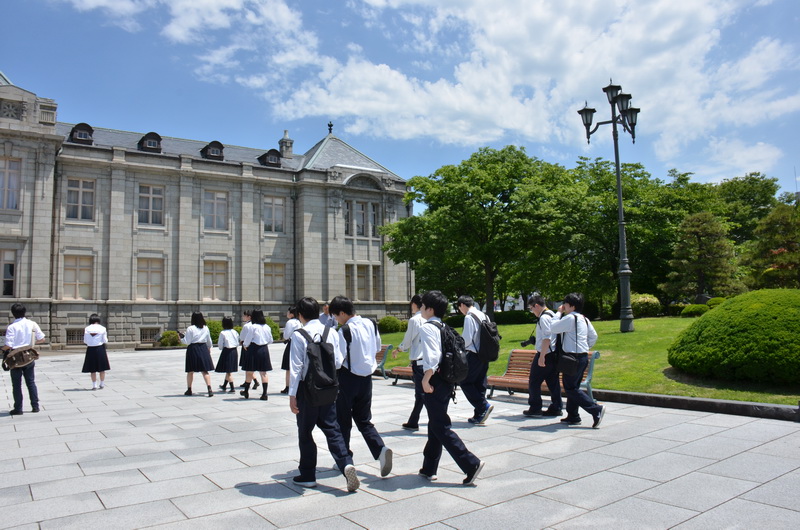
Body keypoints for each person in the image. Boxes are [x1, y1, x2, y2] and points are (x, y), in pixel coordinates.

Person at [288, 296, 359, 492]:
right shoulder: (331, 332)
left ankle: (308, 475)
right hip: (329, 387)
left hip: (306, 390)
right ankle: (345, 463)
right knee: (332, 429)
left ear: (300, 314)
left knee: (305, 431)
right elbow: (338, 360)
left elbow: (296, 368)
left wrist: (292, 395)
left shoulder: (299, 334)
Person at [418, 290, 484, 485]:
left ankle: (470, 463)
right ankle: (429, 468)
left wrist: (426, 378)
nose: (421, 309)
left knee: (440, 425)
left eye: (423, 306)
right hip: (447, 381)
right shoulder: (443, 326)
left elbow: (432, 355)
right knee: (435, 423)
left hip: (435, 380)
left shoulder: (428, 327)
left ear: (430, 309)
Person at [329, 295, 393, 478]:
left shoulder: (344, 331)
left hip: (348, 379)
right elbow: (377, 346)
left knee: (343, 420)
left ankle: (345, 460)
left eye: (336, 315)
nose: (335, 319)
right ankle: (380, 449)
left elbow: (338, 360)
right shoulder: (371, 324)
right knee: (364, 419)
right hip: (367, 378)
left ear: (342, 313)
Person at [550, 293, 605, 428]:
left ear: (572, 306)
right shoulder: (584, 319)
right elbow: (593, 336)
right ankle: (573, 416)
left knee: (570, 388)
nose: (564, 306)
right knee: (573, 386)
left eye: (566, 304)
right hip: (582, 356)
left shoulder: (570, 318)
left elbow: (553, 328)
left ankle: (595, 409)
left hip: (571, 358)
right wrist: (585, 347)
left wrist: (558, 313)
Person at [455, 295, 493, 425]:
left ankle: (483, 406)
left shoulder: (469, 317)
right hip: (485, 354)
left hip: (473, 354)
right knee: (480, 383)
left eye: (459, 308)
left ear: (462, 305)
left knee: (464, 381)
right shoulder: (484, 315)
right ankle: (479, 414)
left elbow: (467, 339)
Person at [522, 296, 562, 417]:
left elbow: (547, 338)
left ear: (537, 306)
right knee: (553, 382)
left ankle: (535, 408)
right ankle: (556, 407)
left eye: (531, 308)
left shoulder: (544, 318)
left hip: (545, 353)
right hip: (553, 354)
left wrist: (542, 356)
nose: (532, 311)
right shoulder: (552, 314)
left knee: (534, 381)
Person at [2, 303, 45, 415]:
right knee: (31, 382)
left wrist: (2, 348)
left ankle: (18, 408)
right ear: (24, 312)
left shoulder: (12, 327)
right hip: (29, 356)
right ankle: (35, 406)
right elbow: (42, 339)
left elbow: (9, 345)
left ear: (13, 313)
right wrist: (31, 344)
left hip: (16, 358)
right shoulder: (32, 323)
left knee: (16, 384)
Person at [395, 294, 426, 431]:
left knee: (421, 393)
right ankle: (413, 420)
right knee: (423, 393)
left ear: (415, 304)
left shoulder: (415, 320)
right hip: (430, 361)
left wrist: (399, 349)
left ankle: (416, 421)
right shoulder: (430, 319)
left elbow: (407, 341)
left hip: (419, 362)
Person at [240, 309, 274, 400]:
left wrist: (245, 345)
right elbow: (271, 340)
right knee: (263, 372)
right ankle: (265, 393)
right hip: (264, 349)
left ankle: (246, 391)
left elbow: (248, 339)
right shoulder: (267, 327)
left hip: (254, 349)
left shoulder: (253, 327)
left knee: (250, 371)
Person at [181, 312, 214, 397]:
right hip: (203, 348)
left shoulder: (190, 328)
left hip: (193, 348)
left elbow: (187, 341)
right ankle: (209, 388)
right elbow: (209, 340)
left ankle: (189, 389)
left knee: (190, 371)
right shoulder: (205, 327)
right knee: (204, 370)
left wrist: (181, 338)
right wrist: (209, 347)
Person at [82, 314, 110, 390]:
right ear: (98, 320)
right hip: (100, 349)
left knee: (92, 369)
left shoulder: (87, 329)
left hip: (90, 349)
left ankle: (94, 385)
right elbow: (105, 340)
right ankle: (102, 383)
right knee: (102, 368)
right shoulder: (102, 328)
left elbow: (85, 340)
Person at [280, 306, 302, 394]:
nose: (287, 314)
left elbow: (286, 335)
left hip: (291, 343)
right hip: (299, 344)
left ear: (292, 314)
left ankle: (288, 386)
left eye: (288, 312)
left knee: (288, 367)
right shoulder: (299, 321)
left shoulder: (290, 322)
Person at [215, 316, 239, 393]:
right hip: (234, 351)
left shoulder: (223, 333)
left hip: (227, 351)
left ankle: (232, 388)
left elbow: (220, 344)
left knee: (228, 371)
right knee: (228, 369)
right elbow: (238, 342)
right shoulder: (234, 332)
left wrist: (221, 348)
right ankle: (224, 385)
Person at [239, 310, 259, 391]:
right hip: (253, 346)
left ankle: (254, 381)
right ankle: (249, 380)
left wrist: (242, 342)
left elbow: (242, 337)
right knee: (249, 366)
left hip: (246, 346)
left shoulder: (246, 326)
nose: (243, 317)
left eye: (245, 316)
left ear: (249, 317)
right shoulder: (255, 325)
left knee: (247, 365)